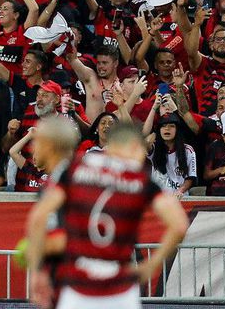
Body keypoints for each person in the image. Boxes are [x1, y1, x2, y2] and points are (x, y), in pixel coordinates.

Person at [26, 120, 190, 309]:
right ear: (136, 146)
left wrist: (38, 272)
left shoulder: (77, 167)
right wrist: (152, 266)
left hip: (77, 289)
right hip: (120, 291)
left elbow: (38, 218)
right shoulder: (140, 179)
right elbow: (178, 225)